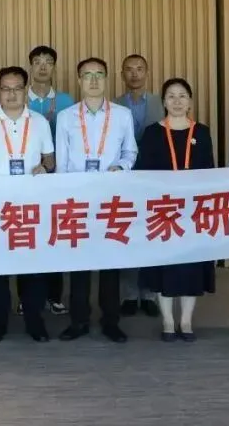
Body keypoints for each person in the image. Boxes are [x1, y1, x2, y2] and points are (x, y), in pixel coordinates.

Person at [55, 57, 138, 343]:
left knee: (110, 262)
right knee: (79, 263)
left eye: (99, 74)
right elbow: (61, 162)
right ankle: (78, 321)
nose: (93, 80)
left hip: (110, 198)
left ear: (106, 79)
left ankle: (110, 321)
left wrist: (121, 167)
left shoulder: (122, 115)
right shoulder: (66, 117)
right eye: (87, 75)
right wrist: (64, 195)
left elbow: (130, 152)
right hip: (77, 199)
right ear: (79, 80)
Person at [0, 66, 55, 342]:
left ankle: (34, 321)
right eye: (6, 89)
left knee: (33, 269)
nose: (11, 94)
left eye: (17, 88)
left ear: (25, 90)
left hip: (32, 207)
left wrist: (45, 167)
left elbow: (50, 159)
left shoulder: (40, 122)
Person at [134, 78, 216, 341]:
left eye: (182, 96)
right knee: (164, 266)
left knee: (191, 267)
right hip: (163, 210)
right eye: (171, 96)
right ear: (164, 102)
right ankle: (168, 321)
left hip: (193, 211)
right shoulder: (152, 132)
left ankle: (186, 321)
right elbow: (142, 173)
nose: (177, 101)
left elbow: (211, 172)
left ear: (190, 101)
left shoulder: (201, 132)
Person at [26, 45, 75, 316]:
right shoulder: (20, 98)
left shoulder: (67, 101)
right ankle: (27, 297)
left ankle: (55, 295)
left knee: (55, 235)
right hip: (28, 178)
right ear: (31, 66)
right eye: (37, 61)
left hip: (57, 179)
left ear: (54, 67)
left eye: (48, 62)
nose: (43, 66)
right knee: (28, 235)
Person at [115, 53, 165, 317]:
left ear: (147, 73)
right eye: (129, 69)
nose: (134, 74)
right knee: (126, 234)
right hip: (124, 179)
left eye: (139, 69)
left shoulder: (161, 102)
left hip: (153, 178)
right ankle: (129, 294)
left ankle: (149, 294)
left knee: (151, 234)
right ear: (122, 74)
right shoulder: (113, 104)